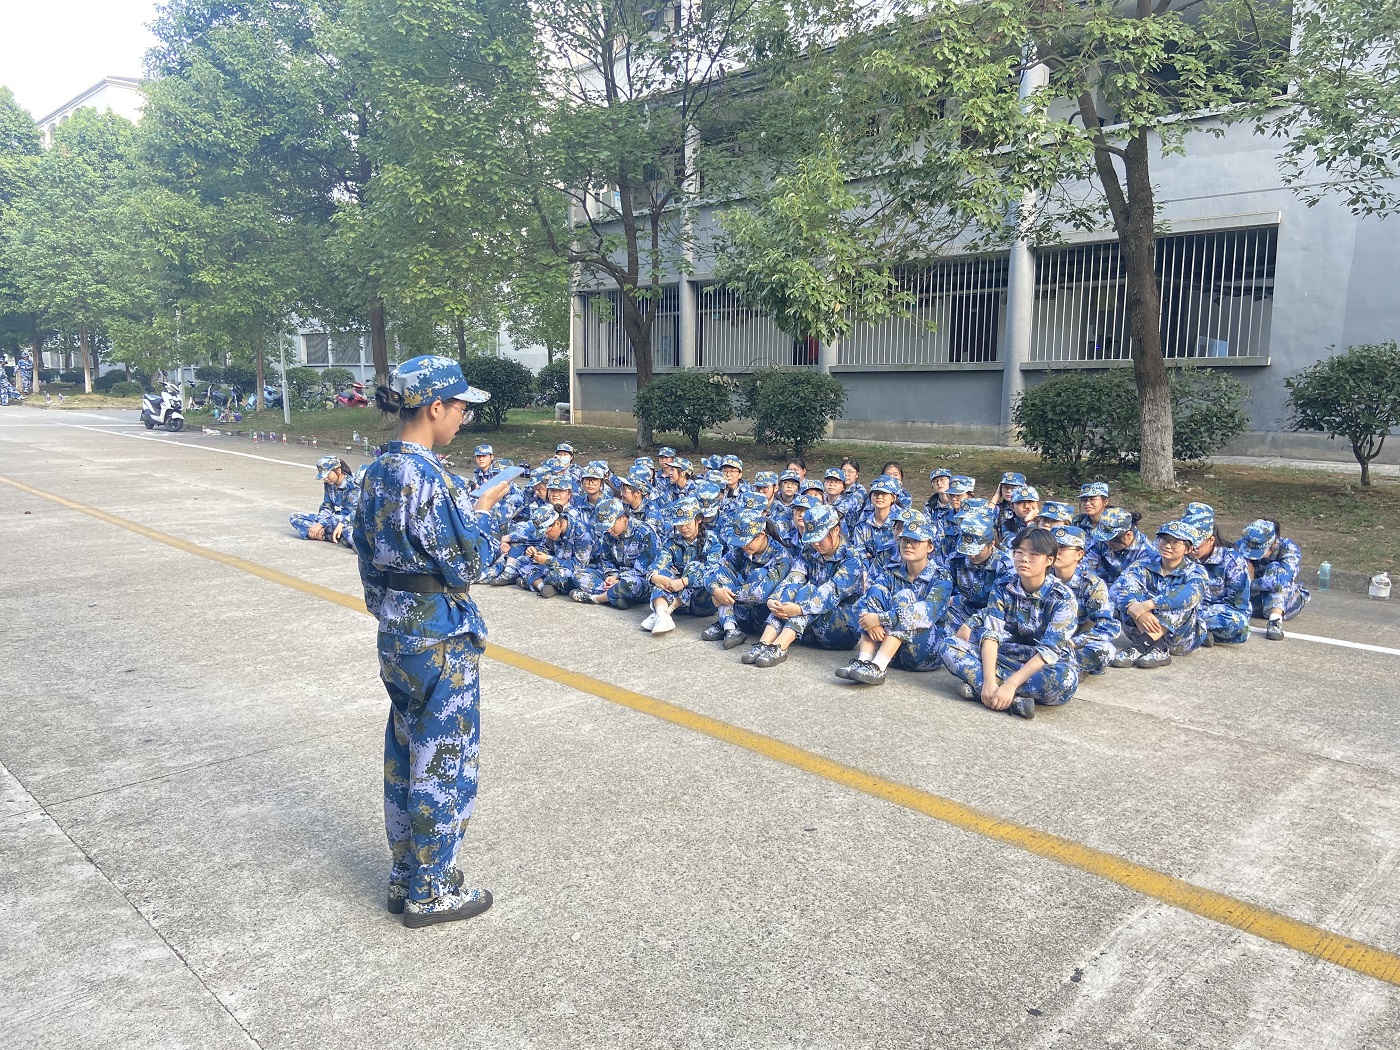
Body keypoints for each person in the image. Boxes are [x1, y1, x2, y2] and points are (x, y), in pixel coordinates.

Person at [352, 354, 508, 928]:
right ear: (435, 407)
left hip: (397, 631)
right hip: (441, 633)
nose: (464, 416)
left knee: (405, 752)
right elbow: (471, 562)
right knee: (444, 759)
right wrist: (483, 511)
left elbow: (365, 555)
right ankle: (432, 887)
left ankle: (406, 873)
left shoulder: (377, 472)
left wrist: (390, 610)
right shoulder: (430, 478)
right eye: (461, 406)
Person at [938, 527, 1080, 719]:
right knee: (949, 646)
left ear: (1049, 560)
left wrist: (1011, 685)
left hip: (1040, 665)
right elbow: (991, 634)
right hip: (1005, 655)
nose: (1024, 559)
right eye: (1019, 552)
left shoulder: (1062, 598)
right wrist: (989, 681)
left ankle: (982, 691)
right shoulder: (1003, 585)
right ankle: (1009, 700)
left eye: (1033, 554)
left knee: (1065, 680)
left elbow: (1048, 652)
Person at [744, 504, 865, 668]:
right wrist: (774, 599)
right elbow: (795, 576)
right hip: (810, 625)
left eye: (820, 538)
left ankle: (780, 646)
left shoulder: (851, 559)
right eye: (812, 538)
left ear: (836, 530)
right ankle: (764, 642)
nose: (816, 544)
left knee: (810, 590)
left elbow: (829, 594)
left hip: (842, 628)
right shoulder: (810, 550)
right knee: (794, 589)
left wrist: (799, 609)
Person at [839, 517, 953, 685]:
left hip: (924, 652)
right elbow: (864, 601)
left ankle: (878, 667)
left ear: (930, 547)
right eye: (904, 540)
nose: (908, 545)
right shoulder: (891, 572)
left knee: (904, 596)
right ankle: (864, 660)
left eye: (915, 541)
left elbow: (925, 614)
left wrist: (880, 619)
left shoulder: (941, 577)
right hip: (893, 651)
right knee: (876, 591)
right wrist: (871, 621)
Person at [1109, 520, 1208, 668]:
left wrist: (1149, 605)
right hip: (1139, 630)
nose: (1167, 546)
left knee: (1178, 601)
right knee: (1133, 598)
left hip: (1180, 639)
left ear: (1188, 549)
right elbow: (1117, 589)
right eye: (1164, 540)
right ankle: (1157, 648)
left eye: (1176, 543)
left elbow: (1192, 594)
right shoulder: (1143, 564)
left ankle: (1139, 647)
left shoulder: (1195, 571)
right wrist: (1136, 607)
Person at [703, 510, 795, 650]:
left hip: (764, 616)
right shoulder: (742, 549)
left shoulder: (781, 557)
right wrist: (715, 590)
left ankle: (728, 621)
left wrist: (724, 595)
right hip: (742, 608)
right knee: (721, 573)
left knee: (759, 574)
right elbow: (712, 570)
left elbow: (760, 593)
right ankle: (730, 628)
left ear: (761, 535)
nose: (743, 545)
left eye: (747, 541)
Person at [1048, 525, 1120, 675]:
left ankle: (1067, 667)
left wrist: (1074, 642)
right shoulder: (1041, 577)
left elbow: (1108, 627)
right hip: (1046, 640)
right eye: (1053, 546)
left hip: (1075, 643)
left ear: (1079, 554)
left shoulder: (1091, 584)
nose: (1056, 552)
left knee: (1105, 650)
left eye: (1063, 547)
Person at [642, 497, 718, 635]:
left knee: (695, 566)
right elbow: (659, 562)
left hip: (702, 603)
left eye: (687, 522)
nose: (683, 528)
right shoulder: (672, 542)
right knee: (662, 574)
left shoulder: (712, 541)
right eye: (679, 524)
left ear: (698, 519)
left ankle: (666, 611)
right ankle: (662, 613)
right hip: (681, 606)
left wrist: (684, 581)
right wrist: (654, 577)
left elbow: (714, 573)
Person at [570, 497, 658, 608]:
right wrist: (612, 575)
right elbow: (606, 559)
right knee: (577, 575)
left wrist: (619, 578)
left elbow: (644, 569)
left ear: (623, 517)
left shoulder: (645, 533)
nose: (609, 530)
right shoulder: (609, 534)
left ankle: (597, 598)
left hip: (639, 579)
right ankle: (616, 597)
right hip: (617, 577)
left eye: (611, 526)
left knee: (630, 584)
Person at [945, 508, 1013, 640]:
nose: (972, 555)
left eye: (977, 550)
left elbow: (1001, 608)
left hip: (995, 618)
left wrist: (971, 623)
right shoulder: (957, 559)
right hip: (966, 610)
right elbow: (943, 586)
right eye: (968, 550)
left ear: (992, 543)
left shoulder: (1005, 566)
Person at [1236, 518, 1308, 640]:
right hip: (1254, 601)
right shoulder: (1243, 544)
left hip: (1286, 603)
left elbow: (1280, 581)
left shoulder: (1289, 549)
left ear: (1274, 544)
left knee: (1275, 570)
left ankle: (1275, 623)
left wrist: (1250, 582)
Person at [290, 456, 356, 546]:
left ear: (338, 470)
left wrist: (321, 524)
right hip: (332, 521)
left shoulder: (353, 485)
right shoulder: (329, 485)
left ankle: (329, 534)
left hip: (349, 521)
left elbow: (353, 512)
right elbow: (327, 506)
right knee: (295, 517)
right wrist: (321, 522)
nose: (325, 479)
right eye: (323, 476)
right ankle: (328, 535)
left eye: (327, 475)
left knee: (350, 534)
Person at [1084, 507, 1151, 587]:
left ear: (1128, 535)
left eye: (1113, 540)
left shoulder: (1146, 553)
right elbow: (1087, 564)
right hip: (1099, 586)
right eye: (1105, 540)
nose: (1108, 543)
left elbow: (1132, 583)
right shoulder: (1103, 538)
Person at [847, 474, 902, 569]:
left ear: (893, 498)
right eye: (875, 493)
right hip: (867, 570)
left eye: (884, 493)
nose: (879, 497)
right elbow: (859, 552)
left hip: (896, 570)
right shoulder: (863, 522)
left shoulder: (902, 521)